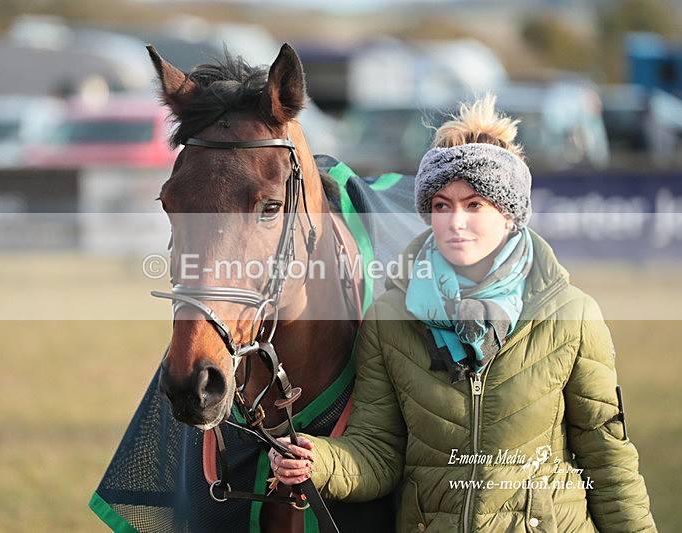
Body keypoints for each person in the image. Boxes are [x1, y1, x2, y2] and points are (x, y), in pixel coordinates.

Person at [268, 94, 656, 532]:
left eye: (474, 204)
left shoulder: (571, 315)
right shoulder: (390, 318)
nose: (455, 222)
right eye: (441, 205)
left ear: (510, 214)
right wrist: (318, 461)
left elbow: (608, 461)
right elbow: (378, 452)